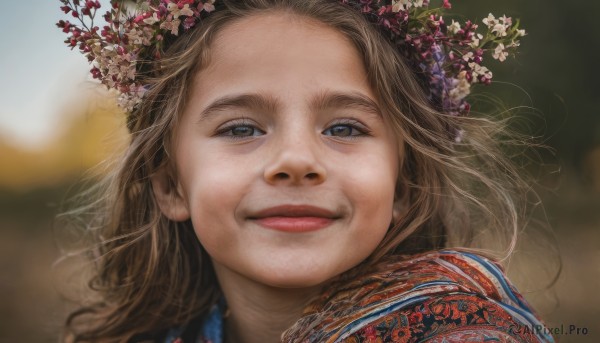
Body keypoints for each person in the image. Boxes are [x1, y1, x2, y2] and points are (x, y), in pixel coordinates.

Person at [57, 0, 555, 342]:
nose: (296, 161)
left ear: (404, 183)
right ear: (170, 185)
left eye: (343, 129)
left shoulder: (465, 331)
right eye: (239, 129)